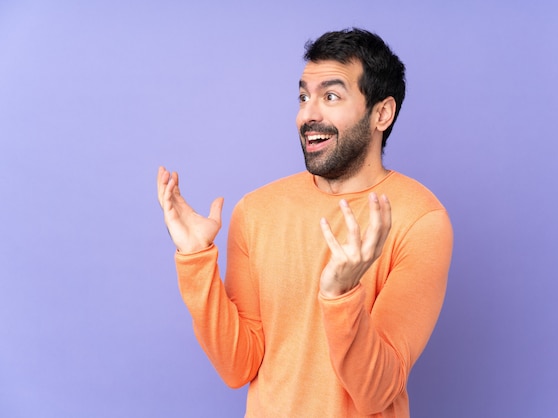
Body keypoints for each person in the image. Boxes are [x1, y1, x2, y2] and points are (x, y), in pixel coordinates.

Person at [157, 28, 453, 417]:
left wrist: (342, 296)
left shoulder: (420, 220)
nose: (307, 114)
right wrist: (196, 259)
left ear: (382, 113)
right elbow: (238, 366)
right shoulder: (257, 211)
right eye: (303, 97)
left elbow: (377, 392)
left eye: (330, 96)